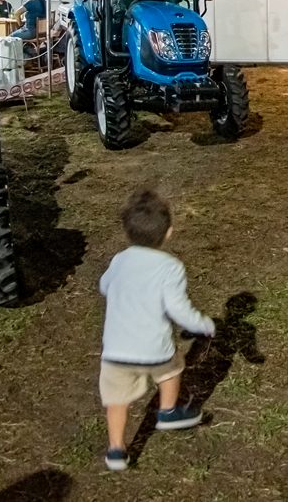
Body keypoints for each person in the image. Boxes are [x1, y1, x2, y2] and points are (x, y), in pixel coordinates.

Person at [98, 189, 215, 472]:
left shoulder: (119, 260)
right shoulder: (170, 267)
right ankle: (168, 412)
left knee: (116, 401)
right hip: (154, 349)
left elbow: (104, 286)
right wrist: (202, 324)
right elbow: (178, 309)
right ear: (169, 232)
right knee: (172, 369)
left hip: (115, 351)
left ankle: (116, 451)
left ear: (127, 231)